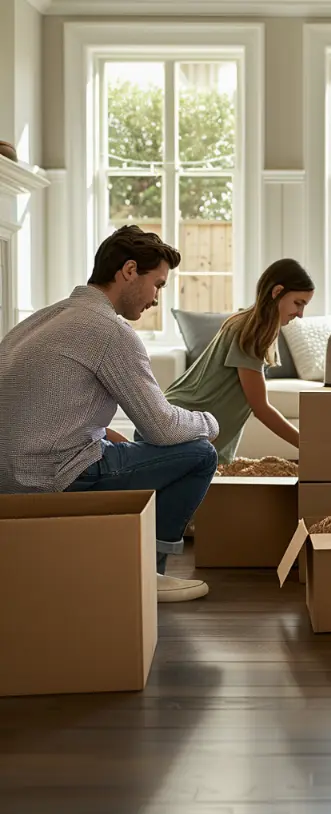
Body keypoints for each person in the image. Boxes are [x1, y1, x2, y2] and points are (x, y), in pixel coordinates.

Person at [0, 225, 220, 603]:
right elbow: (163, 428)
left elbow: (56, 419)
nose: (156, 298)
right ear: (130, 271)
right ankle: (148, 574)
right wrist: (211, 422)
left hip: (9, 478)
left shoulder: (39, 321)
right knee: (199, 453)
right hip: (53, 479)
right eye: (158, 284)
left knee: (127, 440)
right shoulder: (109, 330)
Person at [164, 259, 314, 464]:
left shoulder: (252, 324)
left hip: (182, 422)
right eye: (298, 303)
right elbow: (261, 407)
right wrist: (309, 446)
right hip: (181, 425)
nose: (300, 314)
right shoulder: (251, 332)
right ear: (277, 292)